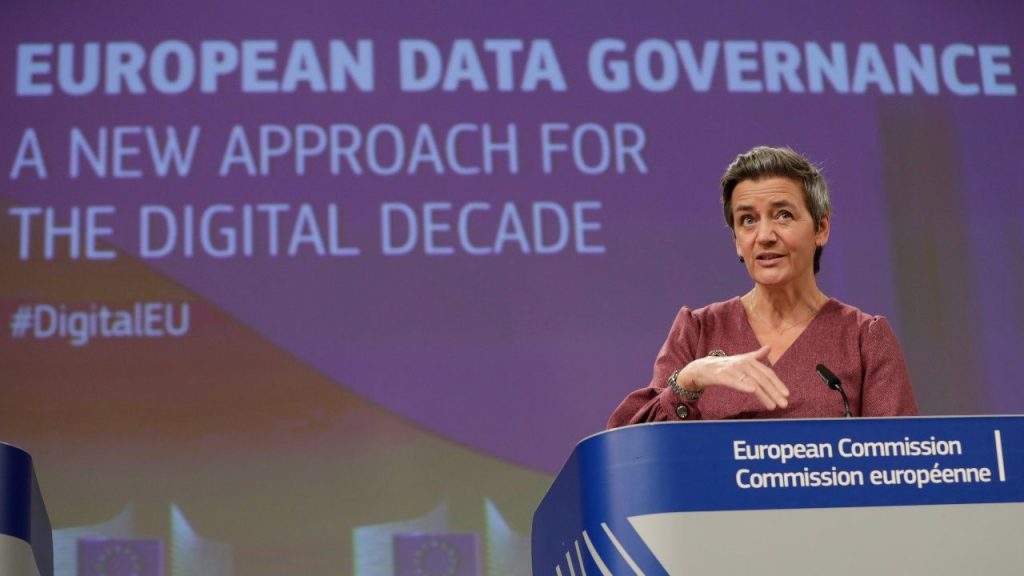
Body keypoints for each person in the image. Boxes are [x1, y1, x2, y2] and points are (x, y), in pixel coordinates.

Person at [607, 146, 918, 426]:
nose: (765, 235)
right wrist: (688, 381)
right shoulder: (699, 330)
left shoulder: (864, 338)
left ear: (821, 228)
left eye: (783, 215)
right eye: (747, 220)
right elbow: (631, 449)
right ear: (737, 243)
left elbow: (901, 461)